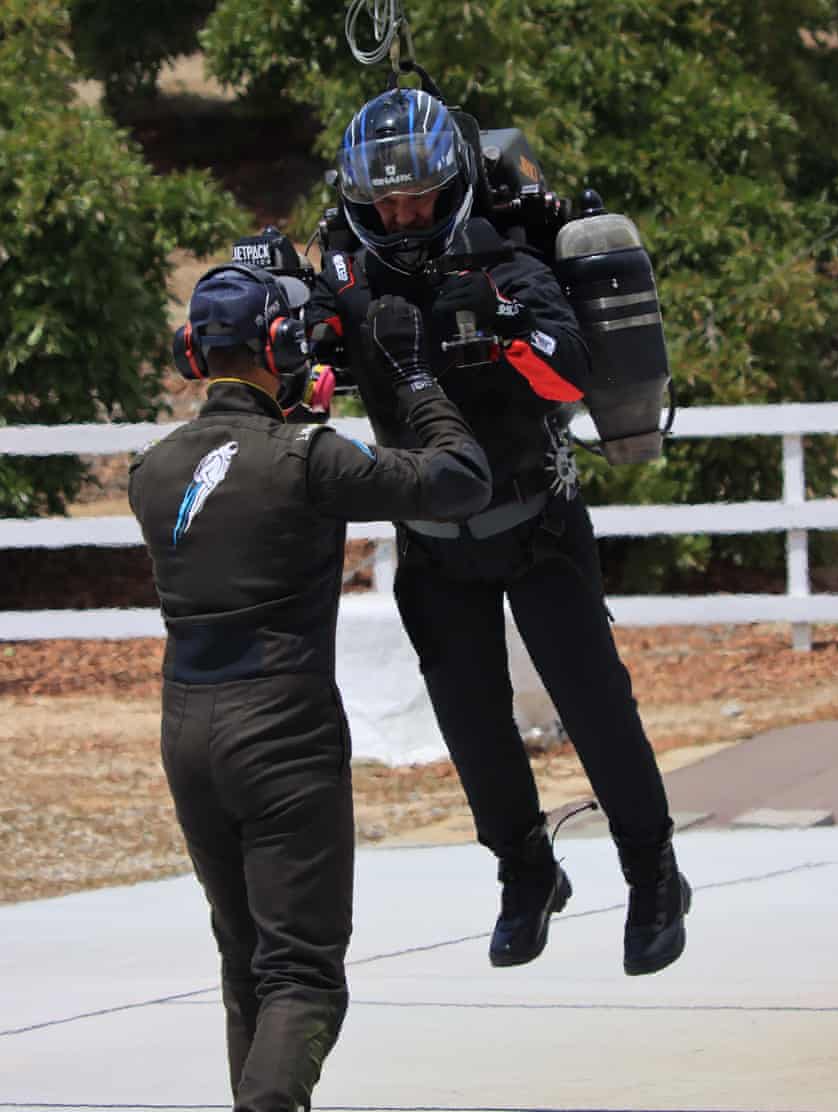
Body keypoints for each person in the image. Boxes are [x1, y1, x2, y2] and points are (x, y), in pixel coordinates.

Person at [305, 87, 691, 976]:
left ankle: (654, 872)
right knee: (473, 724)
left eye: (418, 197)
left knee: (594, 704)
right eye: (384, 202)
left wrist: (497, 323)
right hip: (433, 545)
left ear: (454, 190)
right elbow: (304, 371)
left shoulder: (508, 266)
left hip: (538, 522)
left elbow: (571, 376)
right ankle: (525, 874)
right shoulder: (353, 286)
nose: (402, 215)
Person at [128, 263, 491, 1112]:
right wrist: (411, 376)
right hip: (283, 730)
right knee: (306, 979)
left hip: (186, 731)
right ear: (284, 348)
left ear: (192, 352)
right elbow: (460, 475)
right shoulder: (309, 459)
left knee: (245, 959)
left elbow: (237, 472)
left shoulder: (150, 470)